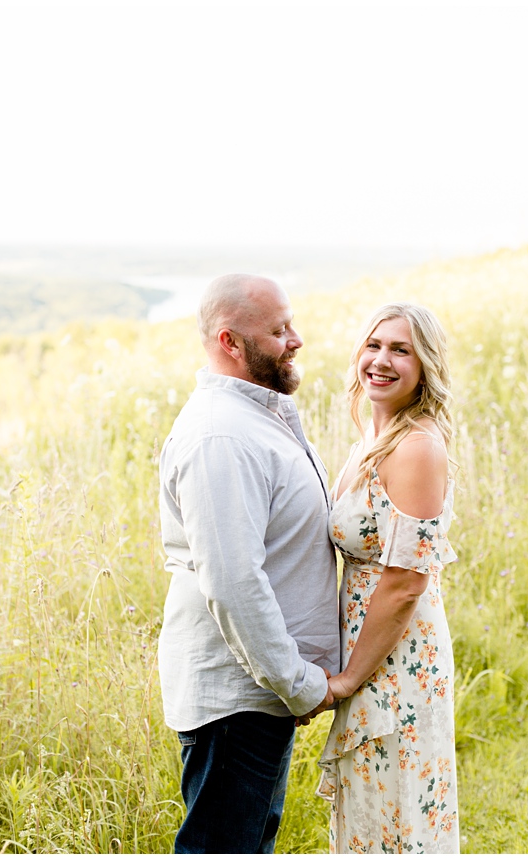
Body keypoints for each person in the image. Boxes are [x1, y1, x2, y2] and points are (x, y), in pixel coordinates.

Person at [158, 274, 339, 853]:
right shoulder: (221, 437)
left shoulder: (257, 417)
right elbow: (233, 583)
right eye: (280, 330)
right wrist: (299, 683)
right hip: (237, 698)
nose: (297, 340)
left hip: (257, 695)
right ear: (231, 342)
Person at [316, 302, 462, 852]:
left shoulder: (417, 447)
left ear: (424, 366)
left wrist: (350, 678)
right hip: (368, 648)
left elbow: (406, 582)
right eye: (374, 345)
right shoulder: (372, 441)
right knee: (372, 808)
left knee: (397, 809)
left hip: (398, 656)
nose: (382, 360)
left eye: (401, 350)